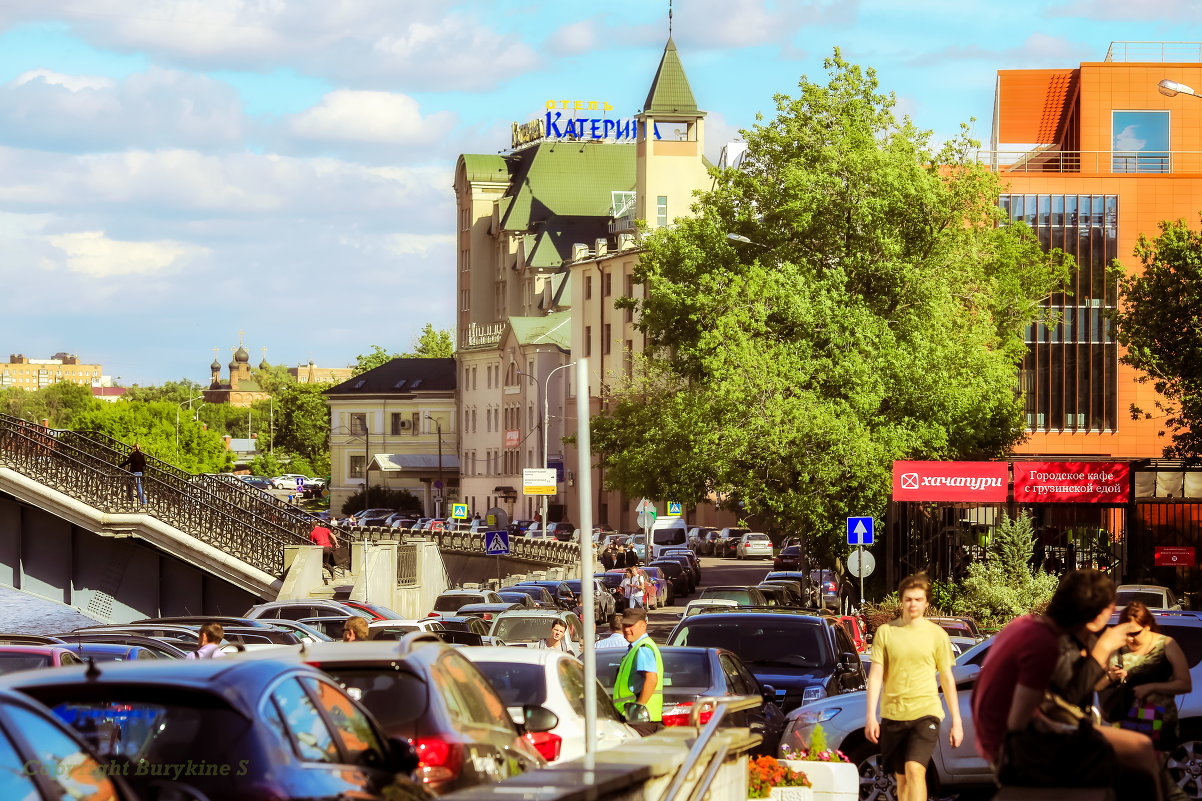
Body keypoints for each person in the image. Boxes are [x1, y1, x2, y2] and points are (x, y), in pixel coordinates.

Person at [973, 569, 1159, 797]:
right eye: (1111, 608)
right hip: (1013, 750)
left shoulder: (1026, 625)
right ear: (1097, 618)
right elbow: (1018, 721)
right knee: (1142, 752)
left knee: (1135, 762)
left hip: (1001, 741)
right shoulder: (1043, 644)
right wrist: (1103, 648)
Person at [865, 573, 962, 801]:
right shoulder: (886, 632)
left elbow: (947, 678)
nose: (913, 604)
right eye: (909, 599)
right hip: (894, 714)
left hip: (925, 713)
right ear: (901, 601)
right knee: (902, 777)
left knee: (915, 769)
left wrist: (956, 721)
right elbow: (877, 674)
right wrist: (870, 716)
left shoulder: (936, 635)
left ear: (926, 603)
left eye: (918, 599)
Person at [1101, 601, 1192, 800]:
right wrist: (1110, 676)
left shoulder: (1166, 644)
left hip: (1159, 725)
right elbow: (1097, 684)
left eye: (1135, 632)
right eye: (1127, 633)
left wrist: (1152, 687)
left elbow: (1185, 684)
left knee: (1153, 778)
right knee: (1136, 781)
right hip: (1125, 724)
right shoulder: (1118, 648)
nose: (1130, 639)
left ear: (1148, 626)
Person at [612, 607, 664, 735]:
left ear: (643, 626)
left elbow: (651, 679)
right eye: (624, 625)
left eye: (631, 625)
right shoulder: (637, 647)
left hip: (640, 719)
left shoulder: (643, 648)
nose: (626, 629)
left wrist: (638, 708)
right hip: (638, 717)